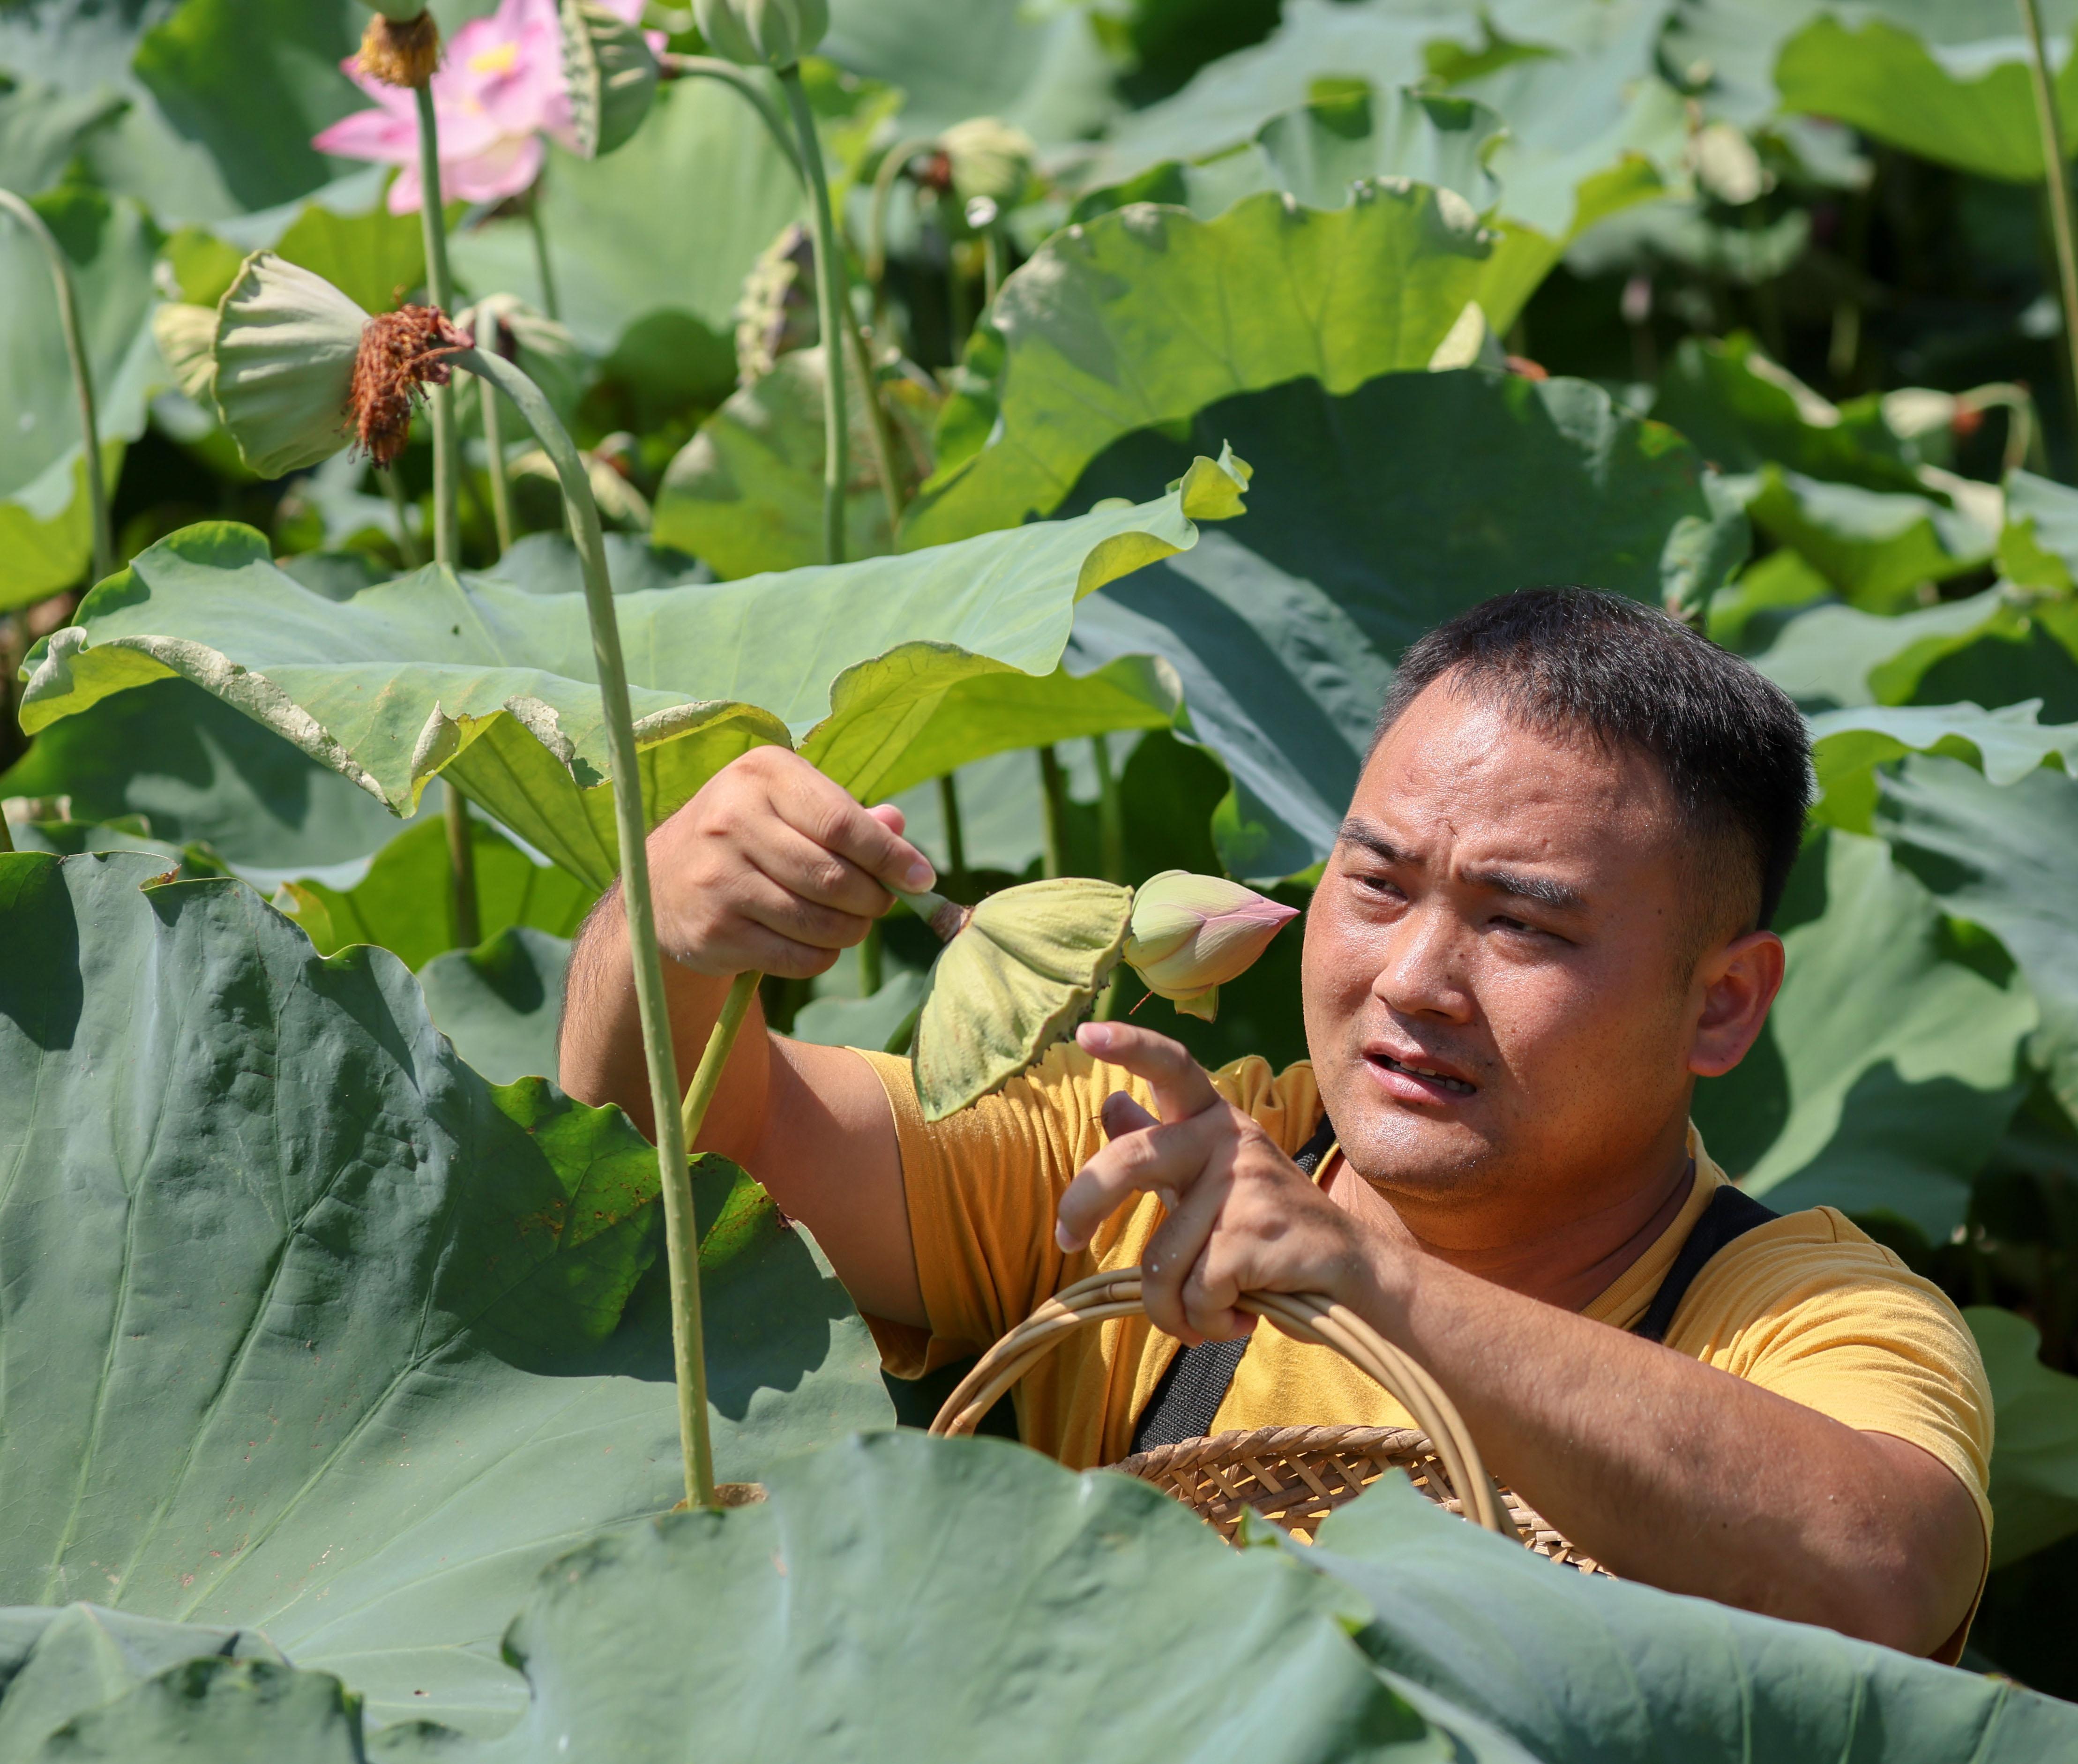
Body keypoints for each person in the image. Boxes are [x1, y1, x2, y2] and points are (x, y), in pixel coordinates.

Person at [561, 587, 1992, 1660]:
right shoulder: (1133, 1158)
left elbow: (1880, 1567)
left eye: (1524, 926)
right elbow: (671, 1171)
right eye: (1376, 885)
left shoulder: (1809, 1314)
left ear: (1724, 1005)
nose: (1415, 980)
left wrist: (1361, 1279)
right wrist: (662, 930)